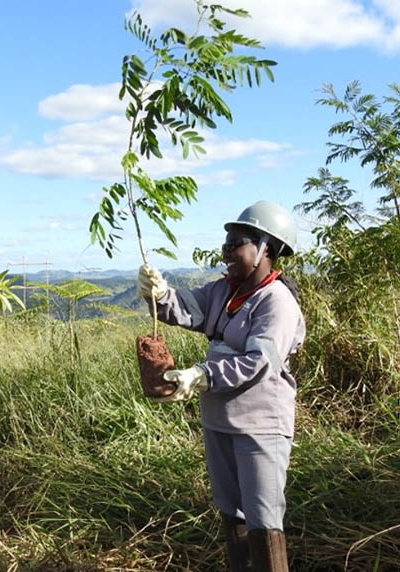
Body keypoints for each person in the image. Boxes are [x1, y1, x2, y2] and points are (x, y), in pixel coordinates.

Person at [137, 200, 305, 572]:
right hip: (219, 420)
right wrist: (158, 293)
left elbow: (259, 362)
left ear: (265, 249)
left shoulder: (276, 301)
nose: (226, 253)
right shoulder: (224, 292)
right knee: (233, 512)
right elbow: (185, 310)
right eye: (225, 245)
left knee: (263, 520)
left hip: (260, 425)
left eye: (236, 245)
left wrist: (202, 375)